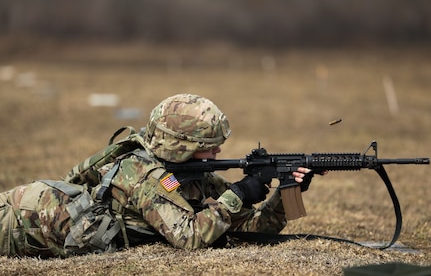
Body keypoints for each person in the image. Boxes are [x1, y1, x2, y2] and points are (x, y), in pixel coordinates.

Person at [0, 93, 319, 258]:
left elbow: (251, 228)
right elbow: (190, 237)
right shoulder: (144, 175)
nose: (218, 153)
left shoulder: (192, 174)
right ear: (182, 147)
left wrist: (287, 193)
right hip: (20, 222)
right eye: (210, 146)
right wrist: (238, 192)